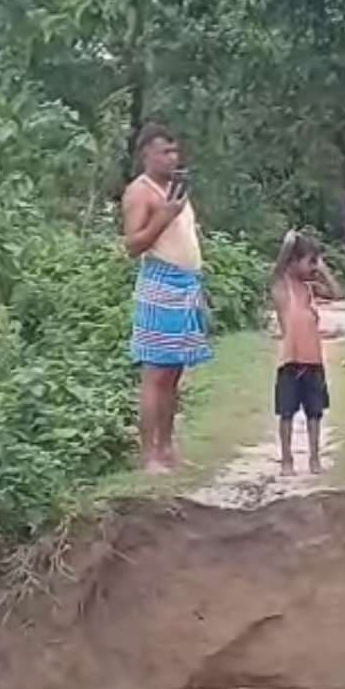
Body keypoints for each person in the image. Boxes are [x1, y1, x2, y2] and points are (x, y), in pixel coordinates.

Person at [123, 123, 210, 474]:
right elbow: (132, 245)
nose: (172, 158)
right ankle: (149, 455)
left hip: (187, 283)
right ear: (146, 153)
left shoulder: (176, 190)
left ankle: (167, 447)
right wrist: (164, 216)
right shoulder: (140, 193)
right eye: (164, 152)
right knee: (155, 372)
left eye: (175, 151)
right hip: (160, 283)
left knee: (175, 372)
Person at [269, 231, 342, 476]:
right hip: (290, 360)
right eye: (310, 261)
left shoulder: (311, 289)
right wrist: (289, 244)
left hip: (313, 360)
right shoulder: (282, 287)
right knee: (286, 413)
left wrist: (322, 269)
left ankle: (314, 457)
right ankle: (287, 459)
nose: (313, 267)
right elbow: (278, 270)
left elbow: (336, 293)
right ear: (292, 261)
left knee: (315, 414)